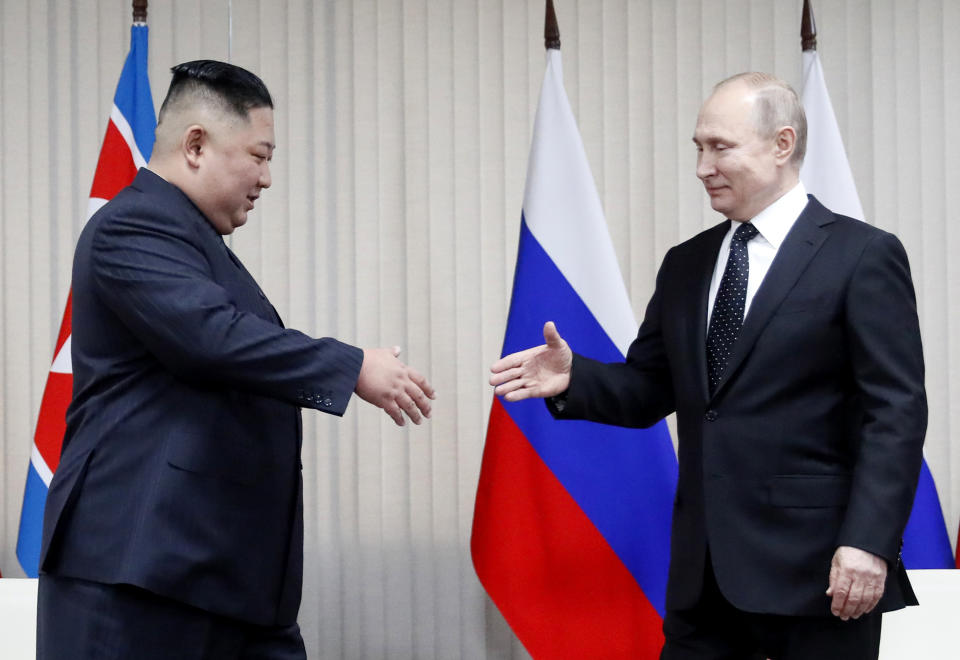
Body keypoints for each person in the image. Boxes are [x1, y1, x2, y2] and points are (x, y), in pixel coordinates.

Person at [490, 72, 926, 660]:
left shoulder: (862, 255)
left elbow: (893, 413)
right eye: (698, 147)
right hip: (703, 582)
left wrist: (869, 543)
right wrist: (577, 378)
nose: (702, 166)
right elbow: (650, 388)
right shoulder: (687, 264)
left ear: (781, 144)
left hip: (817, 574)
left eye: (719, 147)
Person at [37, 60, 435, 659]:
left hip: (220, 578)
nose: (268, 178)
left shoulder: (195, 242)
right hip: (139, 576)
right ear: (195, 145)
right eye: (260, 154)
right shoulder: (134, 225)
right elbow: (211, 338)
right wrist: (350, 367)